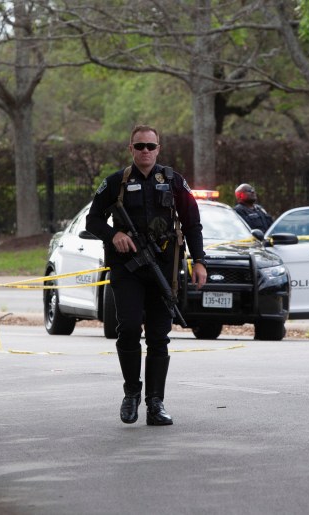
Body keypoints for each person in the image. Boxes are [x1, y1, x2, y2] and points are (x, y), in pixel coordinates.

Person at [86, 124, 207, 426]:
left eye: (150, 147)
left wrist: (200, 261)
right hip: (127, 270)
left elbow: (192, 224)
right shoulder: (116, 182)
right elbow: (92, 220)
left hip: (163, 270)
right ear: (130, 149)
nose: (145, 152)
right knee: (127, 328)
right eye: (139, 146)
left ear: (158, 149)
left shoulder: (174, 182)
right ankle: (131, 393)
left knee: (158, 336)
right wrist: (113, 235)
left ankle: (156, 402)